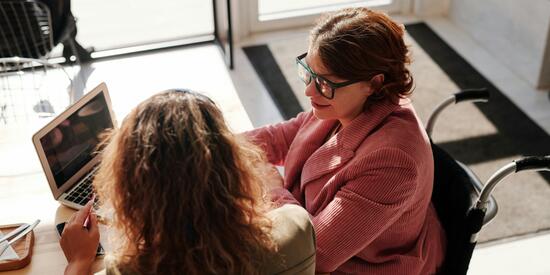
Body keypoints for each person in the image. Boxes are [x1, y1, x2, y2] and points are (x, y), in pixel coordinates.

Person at [245, 8, 446, 274]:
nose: (308, 90)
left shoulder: (393, 161)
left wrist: (271, 186)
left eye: (324, 82)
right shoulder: (343, 102)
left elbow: (315, 253)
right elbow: (280, 137)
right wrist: (211, 143)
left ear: (374, 83)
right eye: (309, 72)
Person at [59, 90, 316, 275]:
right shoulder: (297, 230)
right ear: (234, 166)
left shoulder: (128, 269)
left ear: (133, 189)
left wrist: (79, 261)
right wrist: (271, 185)